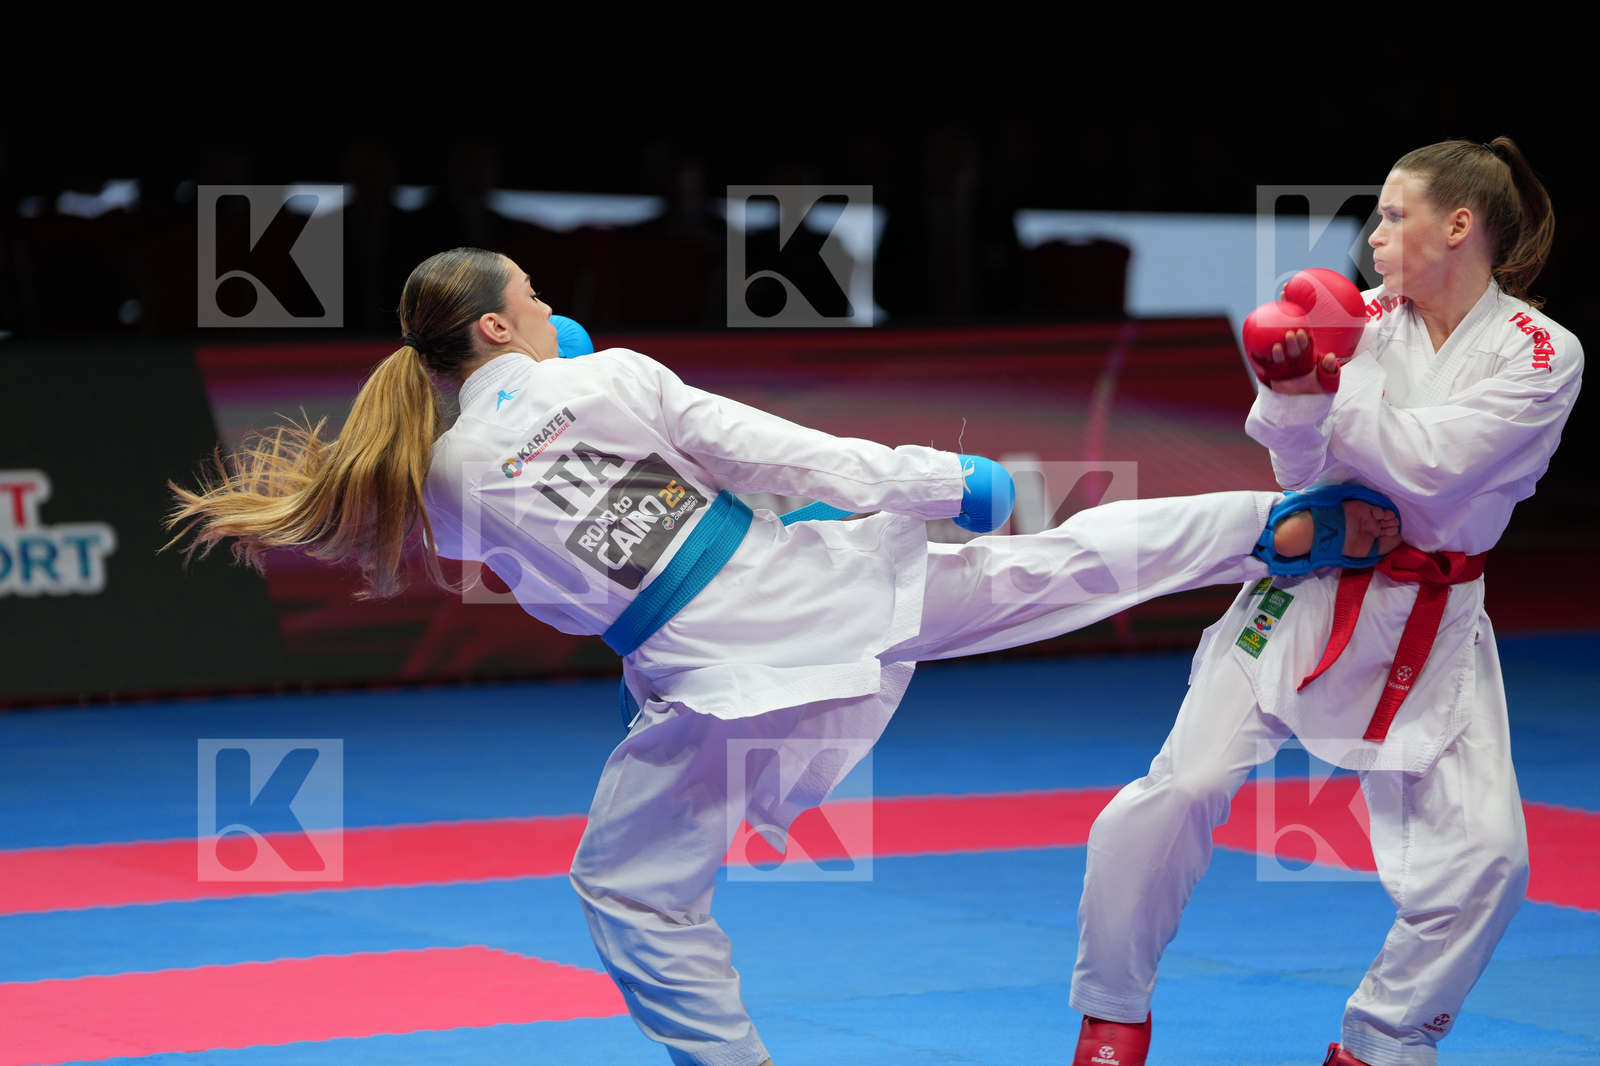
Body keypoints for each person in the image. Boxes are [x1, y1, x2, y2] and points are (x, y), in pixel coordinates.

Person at [167, 247, 1396, 1066]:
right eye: (531, 297)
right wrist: (947, 484)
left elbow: (560, 605)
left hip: (717, 684)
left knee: (633, 889)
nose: (548, 308)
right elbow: (784, 452)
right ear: (495, 322)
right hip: (834, 595)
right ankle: (1267, 528)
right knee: (1057, 565)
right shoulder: (611, 375)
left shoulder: (442, 479)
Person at [1069, 138, 1581, 1066]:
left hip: (1434, 623)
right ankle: (1112, 1011)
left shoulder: (1544, 353)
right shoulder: (1362, 318)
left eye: (1393, 214)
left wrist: (1328, 381)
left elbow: (1433, 472)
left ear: (1456, 226)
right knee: (1179, 789)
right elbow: (1302, 473)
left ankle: (1379, 1044)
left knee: (1490, 863)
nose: (1375, 235)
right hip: (1305, 595)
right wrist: (1291, 389)